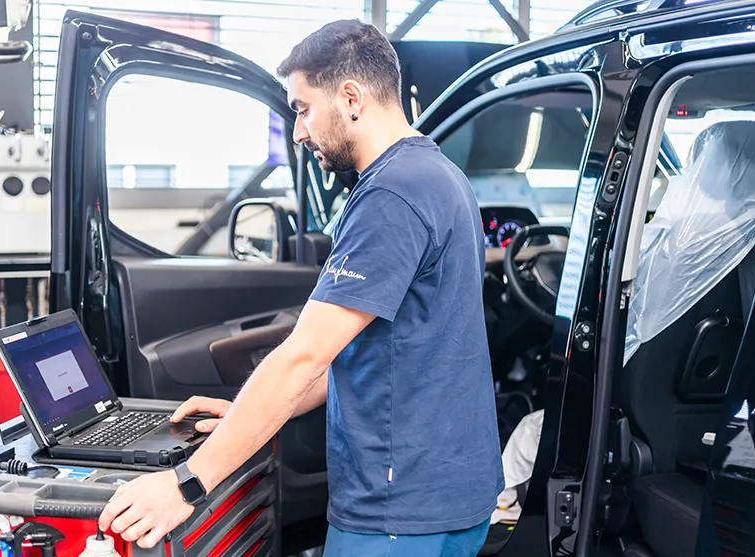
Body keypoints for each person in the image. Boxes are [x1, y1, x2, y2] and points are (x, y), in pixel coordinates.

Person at [98, 19, 504, 555]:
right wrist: (250, 413)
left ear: (351, 97)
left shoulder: (390, 196)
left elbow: (304, 356)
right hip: (453, 495)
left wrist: (186, 484)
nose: (298, 132)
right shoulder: (438, 174)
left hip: (397, 512)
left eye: (302, 109)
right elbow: (379, 358)